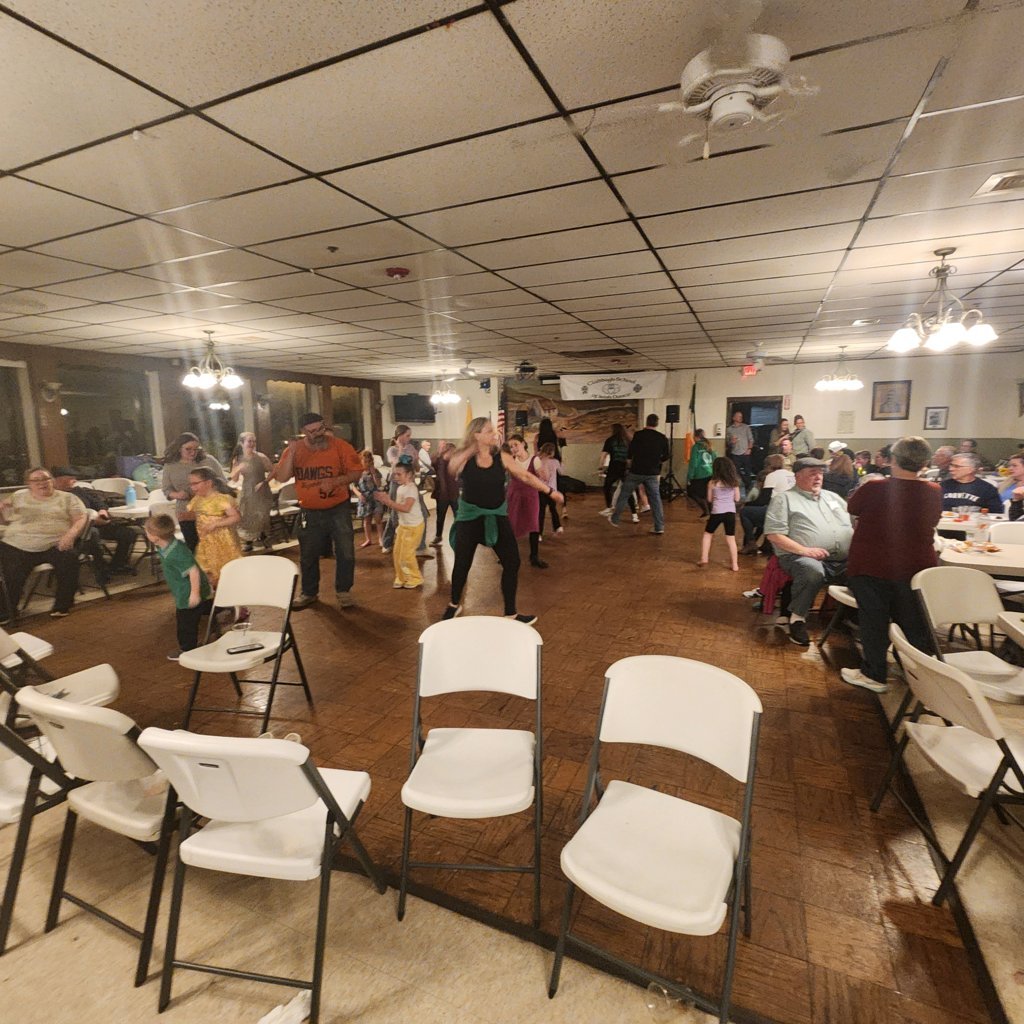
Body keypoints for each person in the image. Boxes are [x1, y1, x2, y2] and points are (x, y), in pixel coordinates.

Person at [841, 437, 941, 693]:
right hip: (915, 566)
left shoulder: (875, 487)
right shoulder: (933, 490)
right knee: (912, 622)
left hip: (873, 563)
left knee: (874, 620)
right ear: (925, 463)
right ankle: (918, 675)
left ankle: (874, 674)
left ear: (892, 460)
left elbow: (852, 507)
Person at [441, 417, 563, 624]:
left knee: (512, 561)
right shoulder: (464, 457)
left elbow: (525, 476)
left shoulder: (502, 457)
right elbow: (452, 467)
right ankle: (454, 604)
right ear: (476, 434)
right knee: (462, 563)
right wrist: (473, 448)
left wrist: (550, 491)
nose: (495, 434)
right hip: (470, 518)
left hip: (497, 516)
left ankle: (510, 612)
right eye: (489, 431)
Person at [272, 412, 363, 610]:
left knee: (346, 551)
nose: (318, 434)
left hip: (338, 508)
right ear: (303, 432)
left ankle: (343, 591)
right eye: (312, 431)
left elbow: (356, 472)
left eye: (320, 428)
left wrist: (336, 481)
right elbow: (282, 477)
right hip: (309, 510)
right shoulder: (295, 450)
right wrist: (292, 453)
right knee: (308, 554)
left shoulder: (340, 446)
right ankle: (309, 592)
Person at [764, 456, 854, 646]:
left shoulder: (833, 497)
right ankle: (797, 618)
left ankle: (852, 617)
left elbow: (854, 521)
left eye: (820, 473)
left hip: (842, 558)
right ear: (797, 476)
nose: (818, 477)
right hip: (797, 555)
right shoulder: (785, 499)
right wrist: (805, 550)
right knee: (812, 570)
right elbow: (774, 534)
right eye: (812, 473)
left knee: (868, 570)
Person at [0, 468, 88, 621]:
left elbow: (81, 518)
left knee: (69, 559)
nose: (42, 483)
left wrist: (70, 535)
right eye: (36, 480)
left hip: (55, 543)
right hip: (17, 543)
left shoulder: (68, 498)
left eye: (45, 479)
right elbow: (3, 508)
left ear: (52, 480)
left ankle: (63, 604)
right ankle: (7, 610)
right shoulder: (19, 495)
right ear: (28, 483)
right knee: (10, 571)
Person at [145, 513, 213, 661]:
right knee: (203, 609)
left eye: (148, 532)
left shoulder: (176, 552)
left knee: (185, 622)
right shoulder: (168, 545)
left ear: (155, 537)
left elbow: (193, 571)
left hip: (187, 592)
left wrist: (194, 593)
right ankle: (220, 617)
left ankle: (187, 649)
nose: (146, 534)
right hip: (184, 589)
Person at [52, 466, 137, 574]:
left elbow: (98, 502)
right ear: (58, 480)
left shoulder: (79, 491)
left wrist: (102, 510)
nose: (74, 481)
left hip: (97, 523)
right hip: (76, 530)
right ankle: (101, 569)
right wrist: (89, 521)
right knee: (93, 534)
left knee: (127, 533)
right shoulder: (55, 497)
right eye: (70, 478)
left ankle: (117, 564)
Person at [161, 433, 226, 551]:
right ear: (179, 448)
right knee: (194, 546)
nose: (193, 452)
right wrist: (177, 495)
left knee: (215, 546)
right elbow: (166, 489)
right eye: (188, 449)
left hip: (210, 509)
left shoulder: (208, 460)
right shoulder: (170, 466)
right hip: (186, 510)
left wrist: (209, 491)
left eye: (196, 449)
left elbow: (222, 482)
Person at [608, 413, 670, 534]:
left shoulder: (638, 435)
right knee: (656, 500)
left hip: (636, 471)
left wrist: (628, 465)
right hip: (652, 473)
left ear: (647, 422)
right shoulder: (662, 437)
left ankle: (615, 519)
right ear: (657, 423)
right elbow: (666, 456)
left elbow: (630, 453)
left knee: (624, 494)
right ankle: (659, 527)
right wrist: (657, 461)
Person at [373, 459, 424, 590]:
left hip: (413, 527)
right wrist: (386, 501)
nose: (396, 476)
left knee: (406, 554)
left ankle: (415, 578)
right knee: (397, 553)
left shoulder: (411, 489)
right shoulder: (401, 488)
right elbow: (398, 506)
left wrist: (388, 501)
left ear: (409, 474)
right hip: (403, 526)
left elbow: (406, 508)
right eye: (395, 474)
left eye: (399, 474)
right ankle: (401, 577)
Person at [188, 467, 242, 587]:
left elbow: (235, 517)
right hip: (206, 542)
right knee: (209, 572)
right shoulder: (197, 499)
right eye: (190, 484)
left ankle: (233, 594)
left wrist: (215, 524)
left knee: (226, 572)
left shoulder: (221, 499)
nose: (192, 487)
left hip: (223, 542)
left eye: (195, 483)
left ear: (208, 483)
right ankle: (218, 594)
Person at [381, 425, 430, 555]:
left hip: (410, 483)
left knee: (422, 512)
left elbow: (417, 468)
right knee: (395, 514)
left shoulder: (411, 448)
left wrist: (416, 460)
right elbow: (396, 466)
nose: (409, 438)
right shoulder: (392, 450)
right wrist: (400, 448)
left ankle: (420, 547)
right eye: (407, 435)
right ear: (400, 435)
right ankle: (387, 542)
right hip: (396, 484)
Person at [505, 435, 546, 569]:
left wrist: (543, 472)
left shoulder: (535, 460)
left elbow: (543, 477)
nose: (513, 448)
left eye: (516, 444)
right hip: (514, 495)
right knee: (511, 524)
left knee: (534, 525)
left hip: (530, 496)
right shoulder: (511, 460)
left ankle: (534, 557)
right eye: (511, 446)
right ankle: (509, 555)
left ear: (523, 443)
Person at [739, 454, 794, 554]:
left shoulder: (772, 476)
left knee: (745, 512)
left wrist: (746, 504)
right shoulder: (791, 474)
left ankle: (751, 542)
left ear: (768, 465)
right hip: (792, 510)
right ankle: (766, 544)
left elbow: (763, 500)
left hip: (779, 512)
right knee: (763, 512)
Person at [229, 431, 274, 551]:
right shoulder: (238, 459)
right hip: (248, 490)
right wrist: (238, 468)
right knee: (247, 515)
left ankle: (265, 538)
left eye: (254, 441)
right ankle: (248, 541)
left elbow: (273, 471)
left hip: (262, 489)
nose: (252, 444)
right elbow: (234, 478)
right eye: (249, 441)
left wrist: (264, 482)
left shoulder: (261, 457)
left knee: (262, 515)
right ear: (242, 443)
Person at [699, 457, 740, 571]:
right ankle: (735, 565)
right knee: (731, 538)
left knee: (708, 534)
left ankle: (704, 558)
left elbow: (709, 499)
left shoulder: (712, 483)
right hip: (730, 512)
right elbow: (737, 498)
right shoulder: (734, 483)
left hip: (717, 512)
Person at [600, 423, 638, 522]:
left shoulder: (610, 440)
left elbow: (604, 455)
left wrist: (601, 467)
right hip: (625, 468)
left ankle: (609, 507)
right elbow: (632, 456)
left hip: (613, 467)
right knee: (627, 491)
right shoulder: (628, 440)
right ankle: (634, 515)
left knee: (607, 487)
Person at [353, 449, 383, 548]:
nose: (367, 463)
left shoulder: (375, 471)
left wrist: (373, 473)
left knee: (378, 519)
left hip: (375, 496)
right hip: (364, 497)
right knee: (367, 520)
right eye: (365, 461)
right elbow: (353, 486)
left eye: (369, 461)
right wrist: (359, 494)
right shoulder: (357, 472)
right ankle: (368, 539)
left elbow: (378, 484)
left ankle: (381, 538)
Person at [430, 441, 458, 545]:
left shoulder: (454, 462)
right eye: (451, 452)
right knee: (440, 517)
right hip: (442, 495)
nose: (452, 454)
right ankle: (438, 535)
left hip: (453, 493)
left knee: (458, 516)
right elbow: (432, 461)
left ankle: (459, 535)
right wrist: (439, 451)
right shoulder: (439, 461)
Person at [685, 428, 714, 517]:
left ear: (696, 437)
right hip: (709, 473)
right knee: (707, 494)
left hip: (699, 474)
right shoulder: (709, 445)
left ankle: (706, 510)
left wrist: (689, 477)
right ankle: (710, 512)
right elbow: (714, 458)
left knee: (691, 492)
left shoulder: (696, 447)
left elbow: (693, 463)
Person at [536, 443, 563, 536]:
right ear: (552, 452)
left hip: (541, 489)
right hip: (552, 490)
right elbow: (562, 472)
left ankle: (539, 534)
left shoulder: (539, 461)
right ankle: (558, 526)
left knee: (541, 511)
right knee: (553, 509)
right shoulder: (555, 462)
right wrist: (563, 463)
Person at [726, 410, 754, 489]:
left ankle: (748, 486)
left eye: (741, 416)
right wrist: (731, 441)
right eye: (738, 416)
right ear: (733, 418)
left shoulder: (746, 427)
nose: (741, 418)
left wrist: (749, 449)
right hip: (735, 453)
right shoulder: (729, 429)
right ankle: (739, 486)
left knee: (747, 471)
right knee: (736, 471)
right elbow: (727, 443)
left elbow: (751, 439)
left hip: (745, 453)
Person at [1000, 453, 1024, 520]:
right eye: (1009, 466)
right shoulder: (1006, 484)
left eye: (1014, 466)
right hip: (999, 517)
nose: (1010, 468)